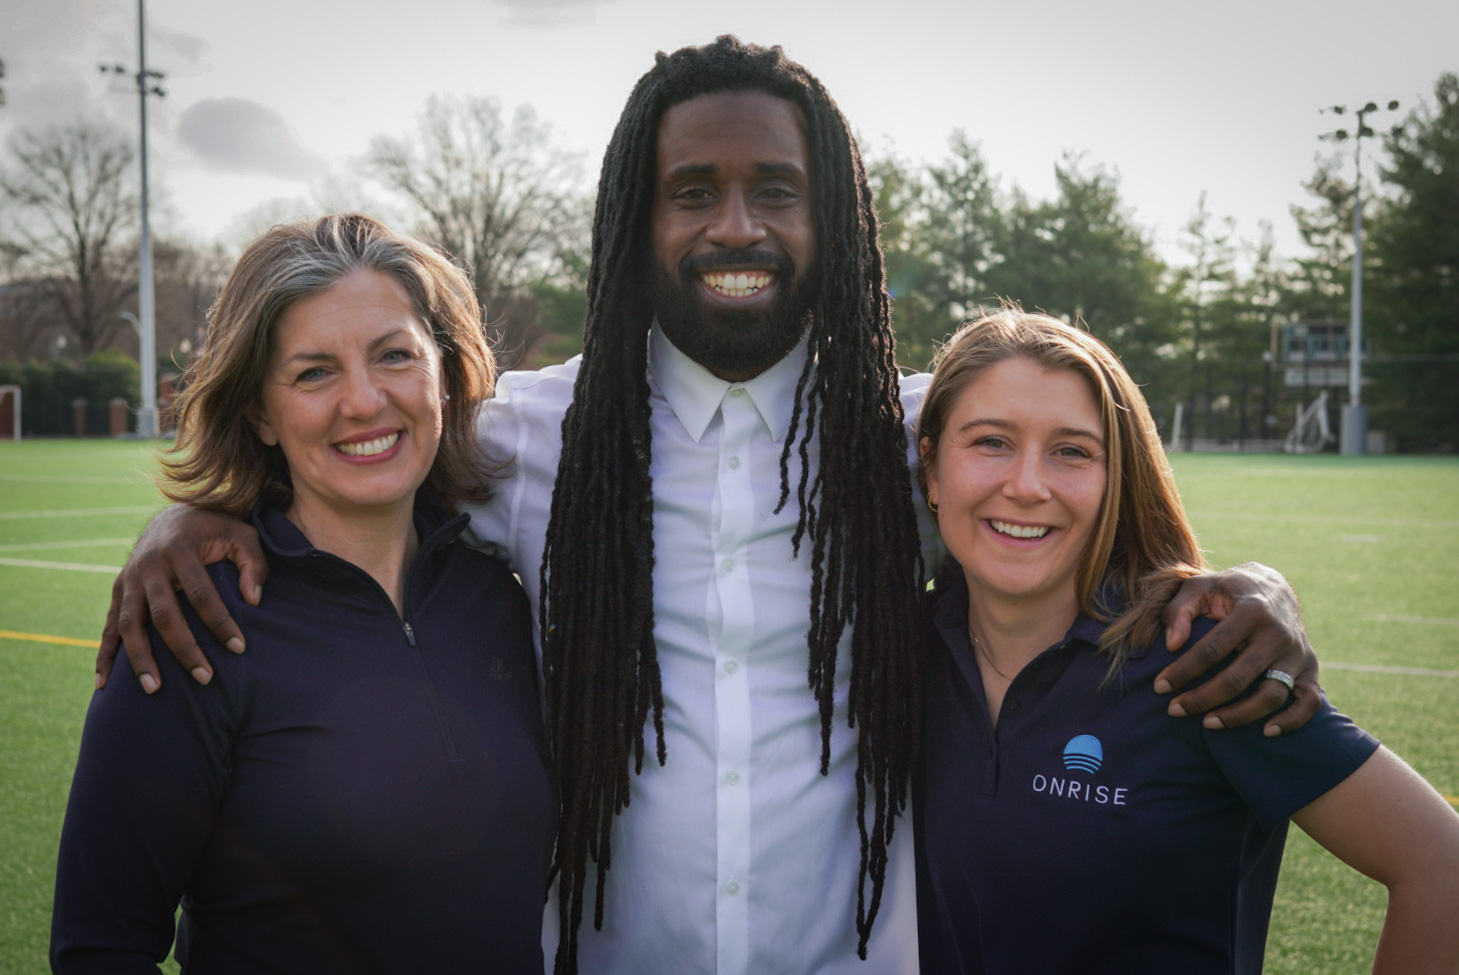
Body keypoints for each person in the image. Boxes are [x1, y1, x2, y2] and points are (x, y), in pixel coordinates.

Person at [94, 38, 1322, 975]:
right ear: (640, 218)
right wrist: (200, 520)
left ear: (829, 219)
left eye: (775, 191)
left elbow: (1092, 528)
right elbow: (355, 440)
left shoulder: (919, 438)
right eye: (693, 192)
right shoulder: (526, 436)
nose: (736, 226)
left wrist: (1256, 587)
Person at [51, 214, 556, 974]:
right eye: (314, 371)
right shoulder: (192, 622)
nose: (363, 400)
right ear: (259, 410)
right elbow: (100, 946)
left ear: (444, 376)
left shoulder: (501, 599)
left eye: (394, 356)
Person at [912, 309, 1459, 974]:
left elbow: (1440, 865)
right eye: (990, 441)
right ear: (932, 469)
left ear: (1117, 481)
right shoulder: (897, 652)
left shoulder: (1203, 656)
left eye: (1072, 451)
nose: (1026, 484)